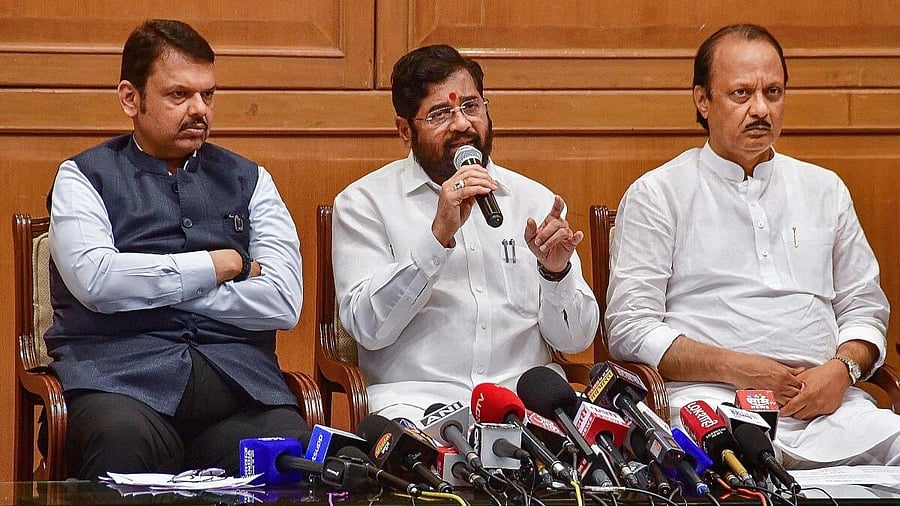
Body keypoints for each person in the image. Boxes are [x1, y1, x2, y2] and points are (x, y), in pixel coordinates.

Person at [607, 24, 899, 468]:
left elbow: (865, 309)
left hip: (828, 409)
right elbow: (630, 328)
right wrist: (738, 369)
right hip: (713, 407)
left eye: (773, 92)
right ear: (702, 100)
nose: (760, 109)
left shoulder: (826, 189)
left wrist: (843, 371)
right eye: (741, 94)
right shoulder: (658, 194)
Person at [46, 19, 308, 479]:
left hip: (239, 391)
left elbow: (283, 303)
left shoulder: (252, 181)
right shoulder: (82, 177)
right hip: (120, 387)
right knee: (118, 438)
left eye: (207, 95)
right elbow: (98, 283)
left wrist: (146, 284)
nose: (199, 109)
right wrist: (221, 265)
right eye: (178, 95)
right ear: (131, 98)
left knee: (291, 446)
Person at [332, 45, 599, 421]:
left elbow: (576, 340)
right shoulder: (364, 203)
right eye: (440, 113)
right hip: (419, 411)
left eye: (471, 106)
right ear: (405, 131)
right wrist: (436, 239)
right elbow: (367, 329)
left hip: (523, 409)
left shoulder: (533, 201)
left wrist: (556, 273)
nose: (462, 124)